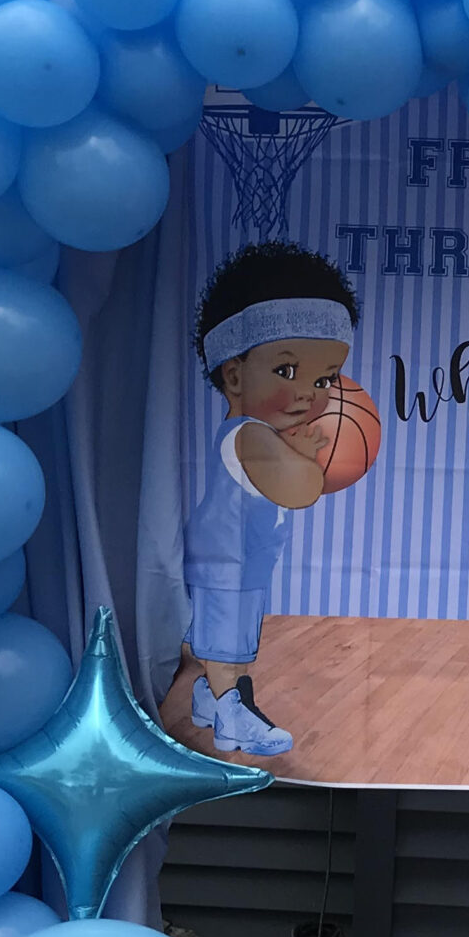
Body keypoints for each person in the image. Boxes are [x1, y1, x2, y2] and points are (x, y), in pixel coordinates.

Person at [182, 241, 358, 756]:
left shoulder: (263, 435)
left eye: (324, 379)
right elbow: (301, 490)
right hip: (225, 560)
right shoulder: (250, 436)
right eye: (287, 372)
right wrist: (309, 460)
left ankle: (208, 696)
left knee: (233, 638)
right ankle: (231, 715)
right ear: (234, 375)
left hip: (240, 558)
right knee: (228, 644)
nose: (308, 392)